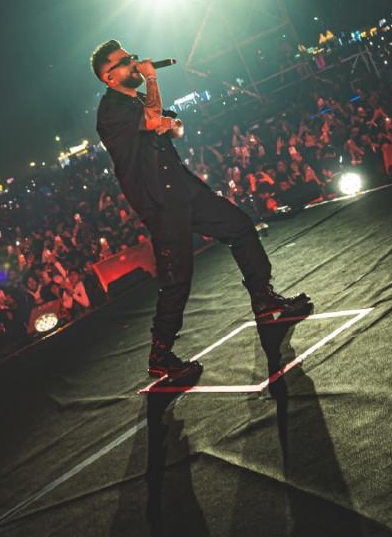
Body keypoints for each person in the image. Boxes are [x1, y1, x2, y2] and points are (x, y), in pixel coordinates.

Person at [91, 40, 313, 380]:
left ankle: (262, 296)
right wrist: (152, 79)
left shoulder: (136, 100)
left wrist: (172, 124)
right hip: (160, 202)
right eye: (125, 61)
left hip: (183, 188)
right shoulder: (111, 110)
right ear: (109, 77)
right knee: (177, 277)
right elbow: (152, 119)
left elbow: (174, 126)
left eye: (132, 57)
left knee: (239, 226)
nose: (133, 62)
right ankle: (161, 353)